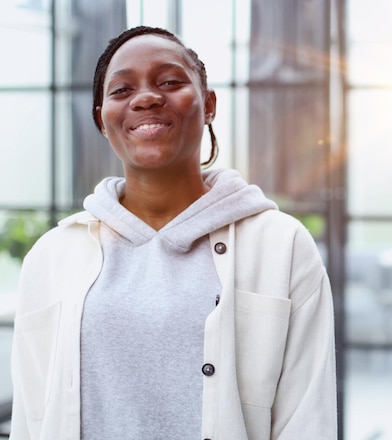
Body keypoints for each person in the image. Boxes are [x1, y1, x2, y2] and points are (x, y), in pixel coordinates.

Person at [10, 26, 337, 440]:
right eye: (122, 90)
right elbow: (30, 418)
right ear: (101, 119)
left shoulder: (280, 245)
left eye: (169, 82)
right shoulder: (52, 256)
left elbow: (307, 420)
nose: (146, 98)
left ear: (209, 104)